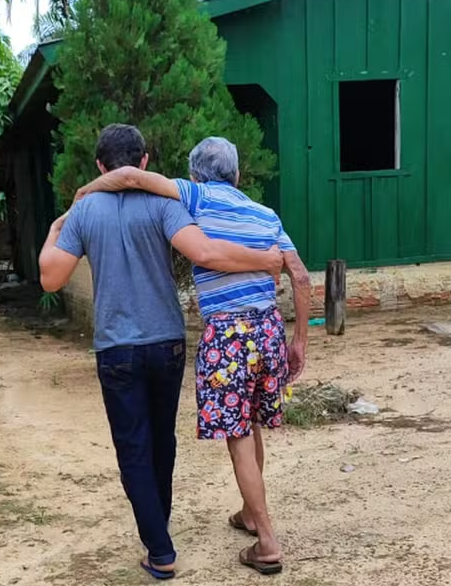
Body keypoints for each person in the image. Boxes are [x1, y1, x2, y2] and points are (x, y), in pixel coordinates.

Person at [38, 124, 282, 581]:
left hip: (116, 348)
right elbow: (205, 252)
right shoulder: (165, 204)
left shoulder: (84, 210)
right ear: (145, 161)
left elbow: (50, 279)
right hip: (166, 341)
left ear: (100, 165)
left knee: (133, 447)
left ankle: (160, 549)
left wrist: (55, 229)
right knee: (161, 442)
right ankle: (158, 529)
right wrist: (266, 260)